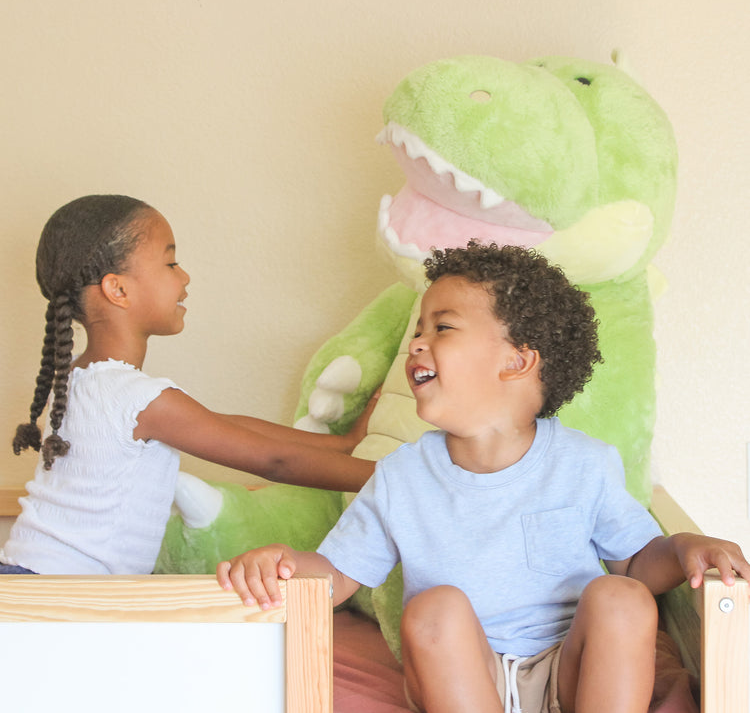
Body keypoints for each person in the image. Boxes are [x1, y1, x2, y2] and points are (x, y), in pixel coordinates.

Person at [217, 241, 750, 713]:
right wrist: (285, 567)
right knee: (434, 608)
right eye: (419, 330)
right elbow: (336, 575)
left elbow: (636, 564)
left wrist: (683, 548)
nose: (418, 344)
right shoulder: (402, 477)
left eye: (442, 327)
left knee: (624, 598)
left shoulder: (583, 464)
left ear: (517, 362)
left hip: (571, 668)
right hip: (463, 677)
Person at [1, 194, 375, 576]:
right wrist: (394, 477)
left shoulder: (82, 381)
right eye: (171, 262)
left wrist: (342, 444)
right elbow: (275, 461)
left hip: (27, 580)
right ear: (118, 290)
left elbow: (227, 426)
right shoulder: (137, 399)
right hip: (52, 599)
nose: (185, 276)